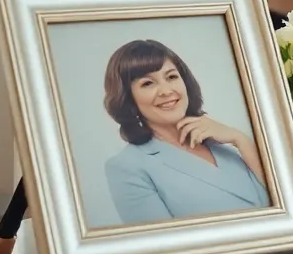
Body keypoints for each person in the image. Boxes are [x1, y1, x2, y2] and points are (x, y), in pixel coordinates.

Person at [102, 39, 270, 224]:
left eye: (172, 77)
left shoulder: (222, 143)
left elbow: (284, 199)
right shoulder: (127, 167)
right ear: (128, 98)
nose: (166, 91)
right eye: (148, 83)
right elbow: (163, 246)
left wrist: (240, 139)